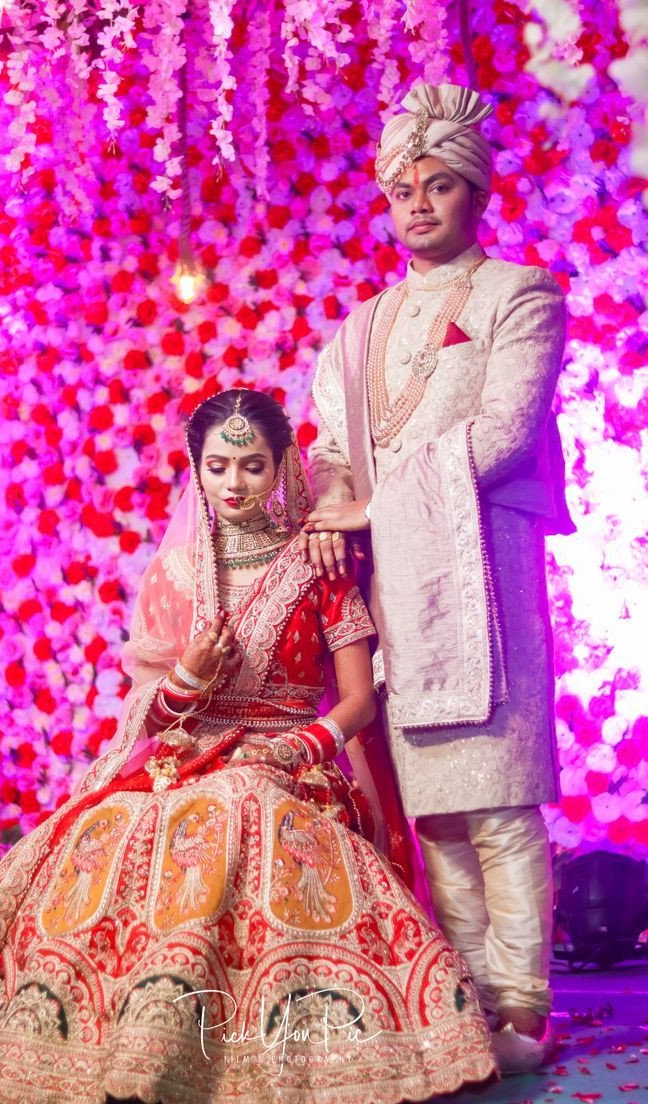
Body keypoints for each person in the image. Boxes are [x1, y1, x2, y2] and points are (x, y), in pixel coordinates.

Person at [0, 389, 495, 1104]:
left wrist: (295, 750)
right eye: (217, 466)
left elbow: (358, 700)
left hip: (289, 762)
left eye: (253, 466)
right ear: (197, 470)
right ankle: (128, 1033)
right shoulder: (176, 575)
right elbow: (149, 716)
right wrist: (187, 676)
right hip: (186, 759)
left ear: (284, 468)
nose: (234, 483)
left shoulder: (320, 564)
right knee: (118, 828)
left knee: (241, 807)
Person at [303, 83, 574, 1075]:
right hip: (399, 590)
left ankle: (526, 1010)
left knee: (499, 802)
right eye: (401, 190)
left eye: (440, 185)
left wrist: (371, 505)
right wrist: (333, 503)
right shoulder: (360, 329)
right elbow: (330, 451)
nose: (417, 205)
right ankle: (469, 1006)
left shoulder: (519, 295)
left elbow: (504, 434)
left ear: (476, 193)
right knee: (439, 816)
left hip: (485, 578)